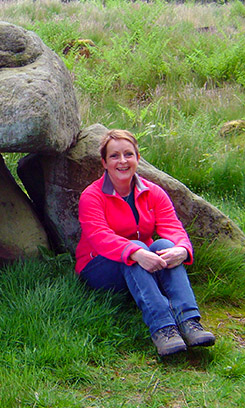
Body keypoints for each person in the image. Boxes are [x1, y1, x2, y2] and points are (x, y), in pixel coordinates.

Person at [75, 129, 215, 357]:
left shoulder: (153, 192)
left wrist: (181, 249)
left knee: (165, 247)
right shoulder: (92, 196)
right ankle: (163, 328)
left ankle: (189, 321)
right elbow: (100, 237)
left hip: (143, 261)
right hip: (99, 267)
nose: (122, 161)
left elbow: (172, 226)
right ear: (104, 162)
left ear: (138, 159)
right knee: (137, 248)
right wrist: (135, 252)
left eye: (128, 154)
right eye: (114, 156)